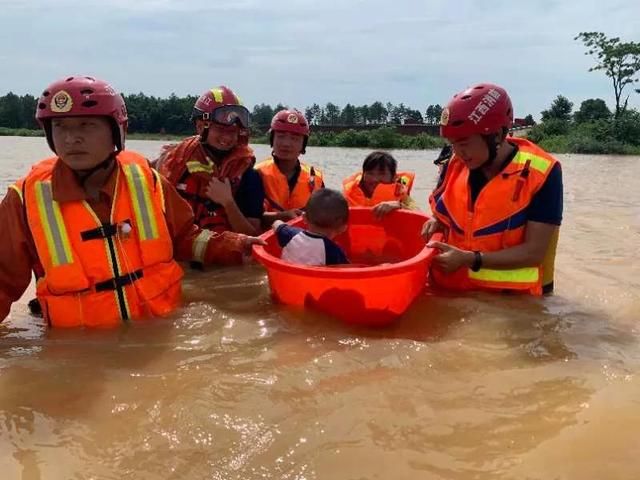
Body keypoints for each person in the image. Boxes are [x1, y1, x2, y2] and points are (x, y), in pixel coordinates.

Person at [0, 75, 263, 328]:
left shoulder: (147, 179)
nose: (71, 138)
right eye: (60, 127)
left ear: (116, 131)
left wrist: (237, 246)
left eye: (86, 125)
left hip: (159, 336)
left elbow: (186, 238)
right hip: (78, 350)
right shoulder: (24, 200)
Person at [422, 83, 563, 295]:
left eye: (464, 142)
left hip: (508, 302)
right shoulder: (454, 163)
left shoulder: (542, 173)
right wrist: (437, 222)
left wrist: (470, 259)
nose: (458, 152)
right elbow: (446, 214)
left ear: (496, 135)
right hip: (452, 291)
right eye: (453, 143)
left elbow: (534, 252)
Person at [155, 86, 264, 236]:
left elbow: (252, 235)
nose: (227, 138)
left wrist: (228, 202)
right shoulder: (175, 160)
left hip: (223, 254)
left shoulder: (248, 176)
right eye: (220, 130)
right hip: (181, 250)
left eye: (232, 131)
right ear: (201, 127)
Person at [256, 109, 324, 226]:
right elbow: (252, 218)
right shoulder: (257, 173)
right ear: (272, 139)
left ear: (303, 145)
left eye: (294, 139)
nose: (286, 143)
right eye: (281, 136)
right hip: (266, 240)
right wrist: (284, 216)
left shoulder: (315, 177)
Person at [273, 189, 349, 266]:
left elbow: (276, 223)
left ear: (304, 218)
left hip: (285, 276)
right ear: (343, 228)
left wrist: (278, 223)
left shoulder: (291, 234)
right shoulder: (333, 250)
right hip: (313, 278)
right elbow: (345, 271)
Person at [342, 151, 417, 218]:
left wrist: (400, 206)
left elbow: (420, 217)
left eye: (382, 174)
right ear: (363, 175)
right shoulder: (348, 195)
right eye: (370, 173)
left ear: (393, 177)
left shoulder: (402, 197)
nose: (375, 179)